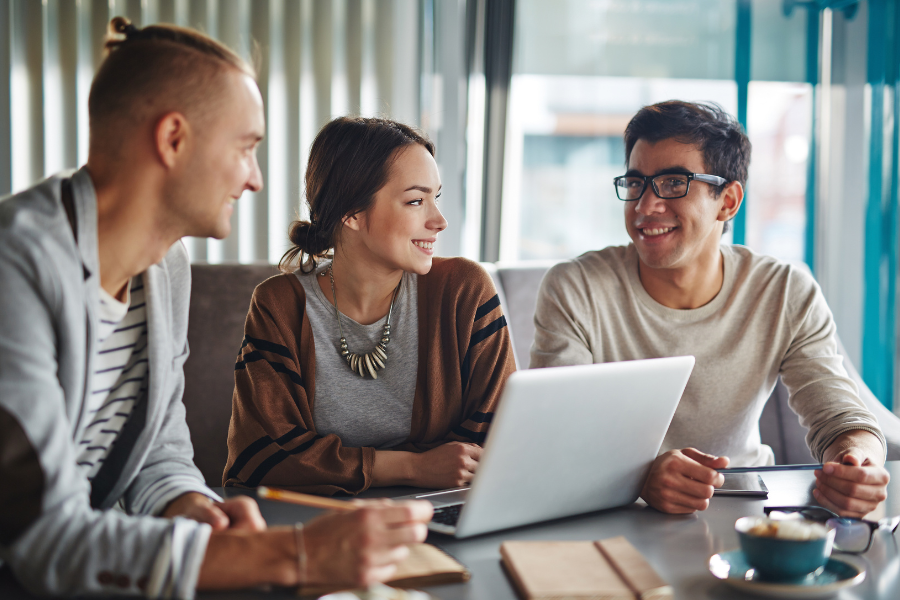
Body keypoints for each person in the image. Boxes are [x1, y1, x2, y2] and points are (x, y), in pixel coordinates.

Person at [0, 17, 431, 599]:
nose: (254, 179)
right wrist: (292, 554)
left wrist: (191, 505)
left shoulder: (165, 265)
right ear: (173, 139)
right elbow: (40, 537)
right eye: (245, 148)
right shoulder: (15, 267)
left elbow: (159, 448)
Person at [531, 100, 890, 518]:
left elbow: (841, 416)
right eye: (636, 183)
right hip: (615, 512)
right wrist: (638, 477)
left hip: (750, 512)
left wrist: (857, 463)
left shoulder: (783, 291)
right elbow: (554, 438)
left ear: (728, 201)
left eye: (672, 183)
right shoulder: (576, 288)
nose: (646, 207)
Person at [224, 116, 516, 494]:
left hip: (440, 511)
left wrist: (326, 463)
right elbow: (261, 457)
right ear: (352, 213)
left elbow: (498, 439)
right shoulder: (279, 305)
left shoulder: (463, 291)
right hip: (321, 523)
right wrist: (414, 466)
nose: (439, 221)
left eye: (436, 198)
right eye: (415, 201)